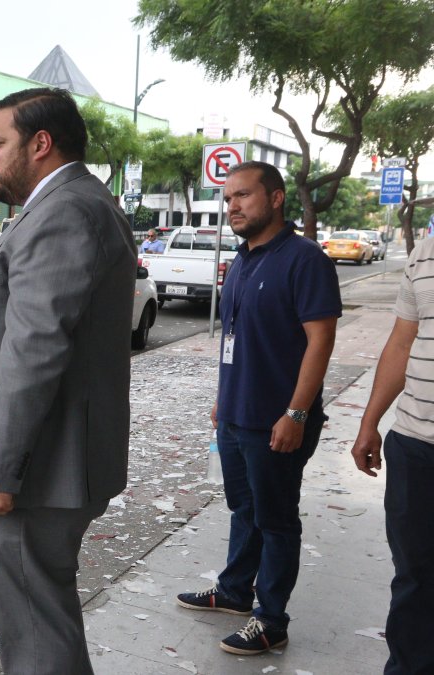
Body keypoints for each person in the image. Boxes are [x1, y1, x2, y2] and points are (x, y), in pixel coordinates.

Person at [0, 88, 135, 673]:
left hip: (35, 475)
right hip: (47, 465)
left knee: (35, 630)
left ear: (40, 144)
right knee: (41, 617)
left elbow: (35, 352)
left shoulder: (65, 212)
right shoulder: (70, 204)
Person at [175, 161, 340, 656]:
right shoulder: (243, 259)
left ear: (275, 198)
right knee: (243, 509)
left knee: (276, 519)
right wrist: (223, 402)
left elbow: (321, 340)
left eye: (243, 196)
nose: (233, 208)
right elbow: (236, 338)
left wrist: (296, 413)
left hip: (278, 421)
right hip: (235, 416)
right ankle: (233, 591)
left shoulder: (305, 259)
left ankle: (271, 619)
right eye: (228, 200)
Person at [349, 235, 434, 675]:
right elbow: (403, 341)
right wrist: (370, 423)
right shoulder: (426, 250)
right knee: (414, 579)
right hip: (415, 444)